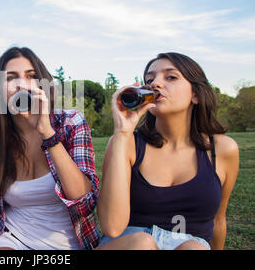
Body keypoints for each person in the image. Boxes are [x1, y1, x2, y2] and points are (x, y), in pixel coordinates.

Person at [96, 52, 239, 250]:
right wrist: (121, 133)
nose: (155, 83)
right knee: (142, 244)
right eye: (149, 79)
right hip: (129, 243)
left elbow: (218, 219)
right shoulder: (126, 143)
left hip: (190, 244)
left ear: (196, 94)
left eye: (170, 77)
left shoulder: (223, 150)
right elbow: (111, 227)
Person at [0, 47, 100, 250]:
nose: (22, 85)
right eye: (11, 78)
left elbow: (83, 201)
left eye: (31, 76)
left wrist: (47, 133)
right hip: (13, 239)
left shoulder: (70, 122)